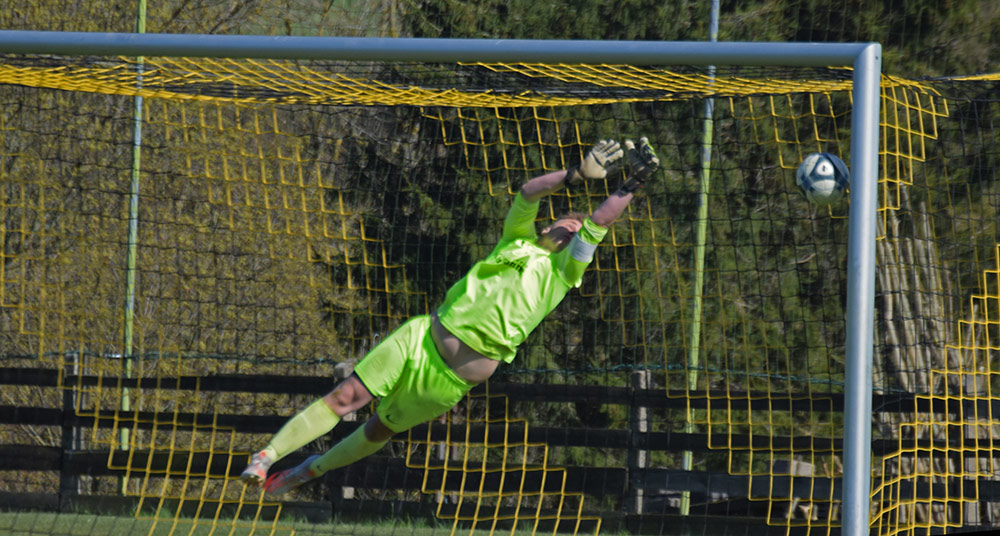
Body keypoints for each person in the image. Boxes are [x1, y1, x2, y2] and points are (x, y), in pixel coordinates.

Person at [241, 136, 660, 495]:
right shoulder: (515, 241)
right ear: (548, 226)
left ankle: (309, 469)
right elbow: (529, 192)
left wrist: (633, 183)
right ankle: (266, 457)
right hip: (421, 339)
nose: (572, 228)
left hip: (449, 381)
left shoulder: (564, 273)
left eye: (577, 232)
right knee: (347, 397)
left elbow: (600, 221)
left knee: (378, 429)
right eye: (567, 222)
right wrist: (576, 174)